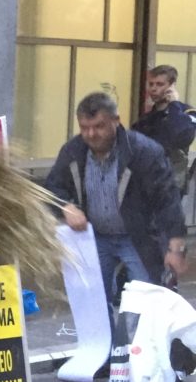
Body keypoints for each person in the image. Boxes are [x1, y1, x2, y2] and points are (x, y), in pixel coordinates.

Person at [46, 92, 187, 308]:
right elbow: (52, 187)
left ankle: (139, 342)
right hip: (94, 237)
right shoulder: (73, 151)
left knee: (145, 302)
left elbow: (167, 200)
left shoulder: (144, 152)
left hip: (138, 237)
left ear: (116, 121)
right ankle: (105, 342)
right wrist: (66, 206)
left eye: (99, 126)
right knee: (94, 302)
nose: (91, 134)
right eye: (84, 127)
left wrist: (175, 247)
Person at [131, 65, 196, 194]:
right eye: (151, 84)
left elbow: (179, 136)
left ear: (171, 86)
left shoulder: (187, 112)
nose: (153, 89)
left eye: (160, 84)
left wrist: (174, 105)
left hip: (171, 184)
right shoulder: (148, 117)